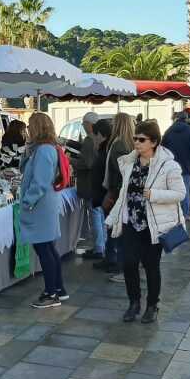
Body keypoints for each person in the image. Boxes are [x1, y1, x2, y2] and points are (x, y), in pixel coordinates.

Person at [106, 120, 186, 324]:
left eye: (142, 139)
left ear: (154, 142)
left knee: (151, 266)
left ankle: (152, 305)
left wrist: (154, 194)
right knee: (129, 264)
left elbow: (180, 194)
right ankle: (134, 303)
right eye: (135, 138)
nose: (137, 143)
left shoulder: (168, 166)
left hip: (154, 225)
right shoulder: (128, 163)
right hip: (131, 222)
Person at [20, 112, 67, 309]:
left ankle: (51, 293)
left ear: (37, 128)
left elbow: (39, 182)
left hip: (40, 205)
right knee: (48, 248)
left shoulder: (44, 151)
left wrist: (27, 202)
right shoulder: (43, 149)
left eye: (30, 126)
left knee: (44, 249)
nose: (27, 130)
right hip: (44, 204)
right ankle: (58, 289)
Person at [94, 113, 135, 281]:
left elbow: (121, 171)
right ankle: (116, 262)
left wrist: (114, 191)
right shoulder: (129, 143)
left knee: (117, 230)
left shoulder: (119, 145)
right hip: (122, 192)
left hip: (118, 192)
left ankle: (122, 268)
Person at [67, 112, 99, 258]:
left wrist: (70, 160)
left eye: (83, 124)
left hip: (89, 183)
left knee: (95, 216)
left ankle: (99, 248)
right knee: (97, 215)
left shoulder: (89, 139)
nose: (83, 126)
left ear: (88, 124)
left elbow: (86, 163)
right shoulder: (98, 138)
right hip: (95, 183)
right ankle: (100, 246)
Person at [161, 111, 190, 218]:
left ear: (176, 119)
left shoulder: (169, 131)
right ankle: (184, 214)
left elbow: (163, 148)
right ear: (186, 119)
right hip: (186, 166)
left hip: (170, 166)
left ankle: (173, 214)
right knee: (184, 191)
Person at [88, 119, 112, 262]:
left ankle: (106, 254)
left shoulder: (106, 150)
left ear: (101, 134)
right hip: (103, 194)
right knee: (105, 223)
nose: (94, 139)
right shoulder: (106, 148)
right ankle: (105, 253)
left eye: (95, 135)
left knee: (104, 222)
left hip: (104, 194)